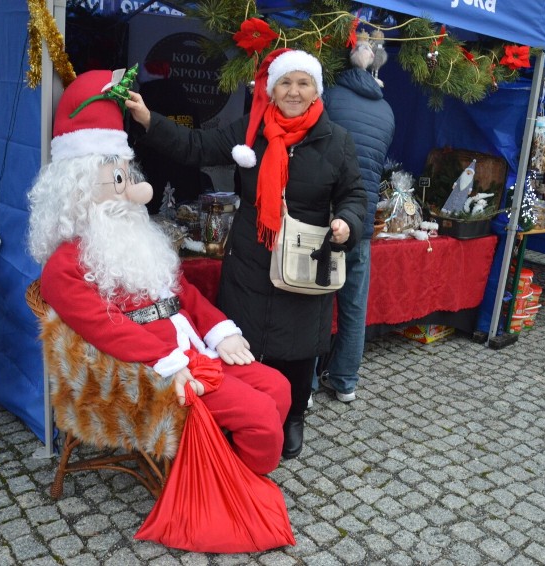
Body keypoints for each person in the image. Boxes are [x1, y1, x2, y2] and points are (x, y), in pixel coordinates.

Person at [26, 69, 290, 475]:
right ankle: (232, 482)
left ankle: (221, 463)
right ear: (76, 188)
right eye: (118, 180)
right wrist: (163, 360)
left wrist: (222, 330)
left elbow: (184, 293)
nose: (136, 190)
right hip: (147, 372)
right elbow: (104, 330)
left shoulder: (137, 235)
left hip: (191, 350)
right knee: (259, 416)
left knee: (279, 388)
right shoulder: (65, 265)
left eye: (128, 175)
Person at [126, 49, 366, 459]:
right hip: (251, 256)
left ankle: (290, 418)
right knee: (242, 342)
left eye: (302, 83)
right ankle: (246, 417)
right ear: (271, 89)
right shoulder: (250, 129)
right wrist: (150, 120)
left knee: (297, 350)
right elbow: (195, 146)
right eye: (285, 83)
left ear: (315, 90)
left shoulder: (337, 141)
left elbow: (355, 196)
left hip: (305, 263)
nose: (293, 91)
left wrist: (347, 222)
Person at [315, 40, 394, 403]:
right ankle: (346, 380)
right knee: (353, 305)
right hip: (361, 217)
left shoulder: (329, 97)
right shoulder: (388, 112)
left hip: (324, 213)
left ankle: (308, 385)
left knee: (313, 298)